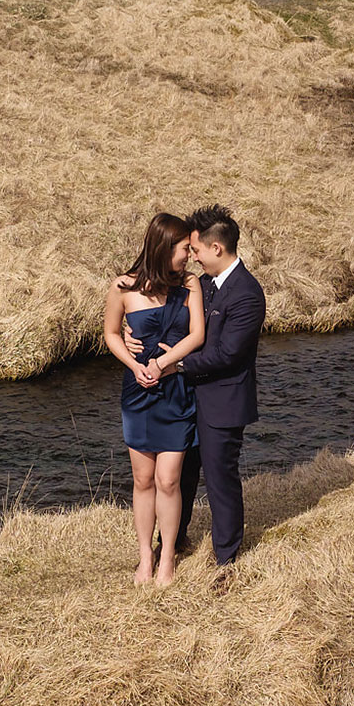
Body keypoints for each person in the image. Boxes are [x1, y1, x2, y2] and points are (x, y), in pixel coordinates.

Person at [127, 205, 266, 585]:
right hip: (184, 399)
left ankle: (225, 558)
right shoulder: (201, 284)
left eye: (196, 249)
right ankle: (173, 542)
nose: (192, 256)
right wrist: (131, 333)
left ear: (216, 248)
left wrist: (177, 366)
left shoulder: (247, 294)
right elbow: (168, 317)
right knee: (179, 476)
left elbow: (228, 354)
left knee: (220, 478)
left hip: (223, 401)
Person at [104, 213, 205, 586]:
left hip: (175, 391)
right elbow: (110, 334)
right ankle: (145, 557)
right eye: (184, 249)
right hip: (138, 393)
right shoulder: (123, 287)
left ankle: (167, 559)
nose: (189, 256)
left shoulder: (190, 284)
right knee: (143, 478)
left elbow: (197, 335)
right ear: (164, 248)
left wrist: (162, 363)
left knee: (169, 479)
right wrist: (133, 364)